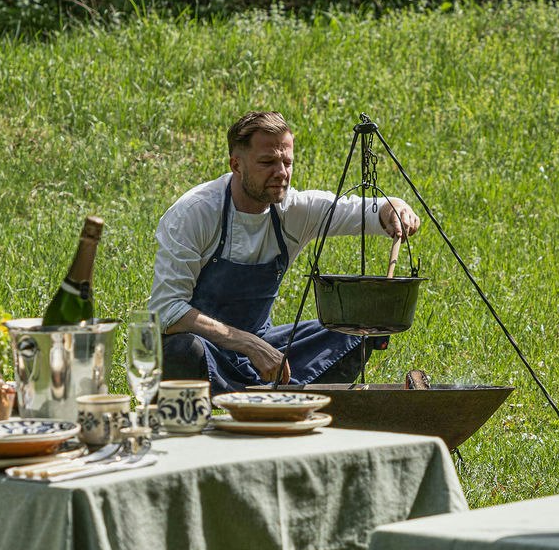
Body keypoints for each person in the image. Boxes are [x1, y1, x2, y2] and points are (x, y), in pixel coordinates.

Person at [150, 111, 421, 392]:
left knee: (355, 331)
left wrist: (394, 209)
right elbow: (166, 310)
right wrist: (249, 344)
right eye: (267, 162)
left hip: (265, 347)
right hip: (207, 350)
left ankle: (299, 412)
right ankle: (197, 418)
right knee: (182, 349)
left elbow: (367, 211)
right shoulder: (195, 213)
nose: (281, 173)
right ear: (236, 164)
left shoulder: (294, 211)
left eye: (287, 162)